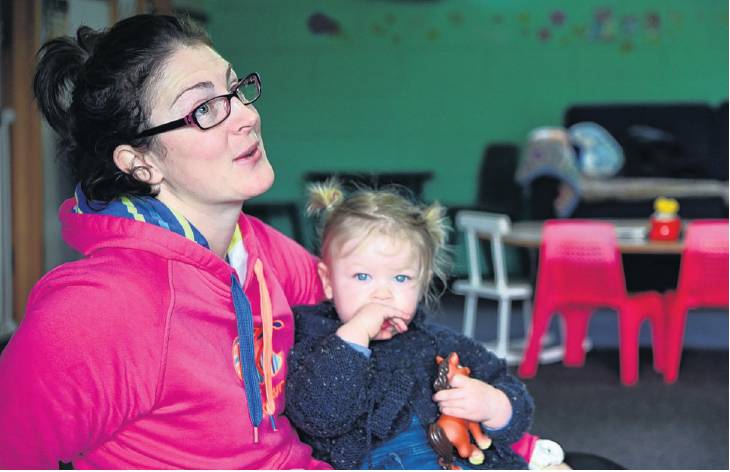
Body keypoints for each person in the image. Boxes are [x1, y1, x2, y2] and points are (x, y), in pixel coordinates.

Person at [0, 14, 328, 469]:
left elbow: (360, 296)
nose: (248, 117)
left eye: (235, 90)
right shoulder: (101, 309)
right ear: (139, 163)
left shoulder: (252, 245)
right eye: (204, 110)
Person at [285, 181, 535, 470]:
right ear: (328, 282)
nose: (383, 294)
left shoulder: (436, 341)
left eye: (401, 279)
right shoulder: (312, 335)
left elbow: (513, 394)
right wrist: (354, 335)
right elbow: (319, 417)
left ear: (422, 283)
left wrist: (494, 405)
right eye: (362, 277)